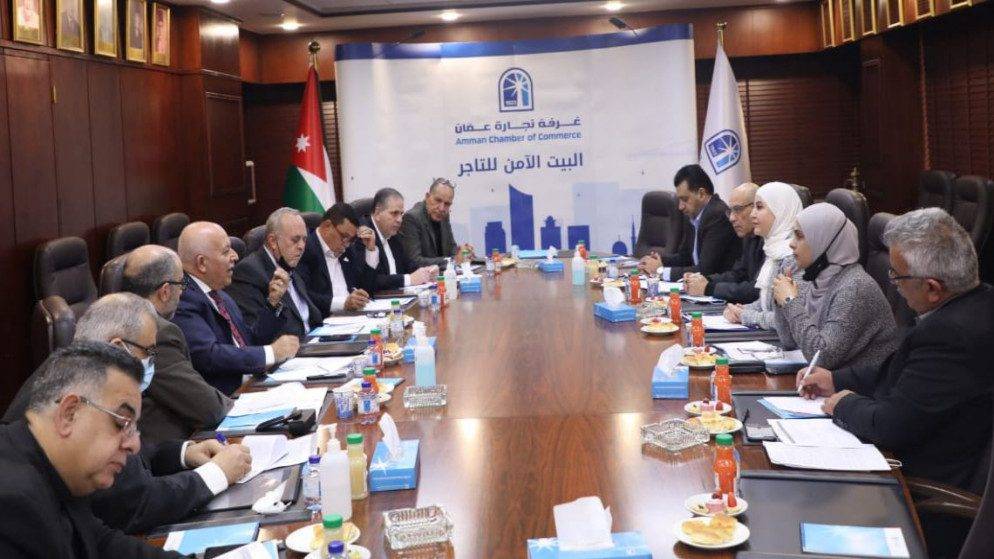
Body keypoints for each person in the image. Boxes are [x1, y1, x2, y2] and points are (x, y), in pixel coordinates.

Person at [2, 294, 251, 534]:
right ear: (118, 348)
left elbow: (133, 460)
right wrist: (217, 473)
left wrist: (183, 453)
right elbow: (135, 504)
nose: (153, 362)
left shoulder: (79, 376)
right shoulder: (81, 397)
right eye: (150, 352)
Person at [798, 208, 994, 492]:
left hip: (917, 488)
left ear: (932, 288)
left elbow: (889, 426)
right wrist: (835, 380)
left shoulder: (951, 335)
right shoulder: (977, 301)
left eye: (896, 275)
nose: (894, 284)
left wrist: (843, 404)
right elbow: (899, 371)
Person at [0, 342, 185, 558]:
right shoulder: (11, 504)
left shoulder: (58, 471)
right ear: (69, 413)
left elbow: (99, 542)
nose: (134, 445)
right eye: (123, 423)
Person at [121, 244, 233, 443]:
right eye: (182, 284)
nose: (182, 292)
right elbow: (208, 408)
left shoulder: (110, 318)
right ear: (165, 291)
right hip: (162, 451)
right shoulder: (156, 333)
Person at [172, 222, 299, 395]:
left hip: (255, 386)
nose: (235, 256)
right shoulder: (182, 298)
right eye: (226, 252)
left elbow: (250, 342)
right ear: (201, 263)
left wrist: (272, 303)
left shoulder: (219, 294)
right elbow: (209, 355)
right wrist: (271, 353)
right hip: (229, 398)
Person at [772, 203, 899, 370]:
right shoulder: (818, 279)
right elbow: (789, 341)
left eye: (799, 236)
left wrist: (790, 301)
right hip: (833, 381)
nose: (792, 244)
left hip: (866, 385)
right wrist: (780, 300)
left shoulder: (854, 288)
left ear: (824, 241)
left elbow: (821, 357)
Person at [227, 208, 322, 338]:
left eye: (304, 239)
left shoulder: (290, 262)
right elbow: (256, 336)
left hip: (314, 339)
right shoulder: (248, 272)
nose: (301, 246)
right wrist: (273, 302)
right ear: (272, 241)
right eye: (295, 240)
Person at [638, 164, 740, 280]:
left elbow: (705, 270)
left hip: (719, 286)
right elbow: (685, 257)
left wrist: (661, 271)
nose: (680, 207)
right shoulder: (693, 216)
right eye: (679, 200)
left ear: (701, 194)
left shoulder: (717, 215)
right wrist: (659, 260)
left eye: (685, 199)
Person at [724, 181, 803, 329]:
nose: (752, 214)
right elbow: (767, 303)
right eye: (753, 207)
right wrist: (742, 309)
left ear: (780, 210)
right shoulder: (774, 249)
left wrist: (746, 316)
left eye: (759, 207)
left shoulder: (792, 255)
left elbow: (788, 320)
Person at [684, 182, 763, 303]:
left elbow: (757, 290)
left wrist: (709, 288)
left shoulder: (771, 241)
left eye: (738, 209)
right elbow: (738, 275)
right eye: (730, 211)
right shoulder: (749, 237)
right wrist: (704, 280)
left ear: (756, 207)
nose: (731, 218)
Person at [297, 203, 377, 315]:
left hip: (353, 317)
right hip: (325, 319)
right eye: (344, 236)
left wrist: (370, 250)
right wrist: (342, 303)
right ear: (327, 226)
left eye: (351, 239)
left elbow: (366, 287)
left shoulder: (347, 250)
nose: (347, 244)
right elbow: (303, 296)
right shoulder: (305, 250)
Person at [362, 188, 438, 291]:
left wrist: (427, 271)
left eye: (401, 214)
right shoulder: (363, 236)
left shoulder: (394, 236)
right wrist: (409, 279)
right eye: (394, 213)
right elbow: (372, 280)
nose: (400, 220)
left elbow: (408, 266)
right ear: (377, 212)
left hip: (399, 297)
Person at [399, 178, 475, 269]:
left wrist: (463, 253)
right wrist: (453, 260)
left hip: (442, 275)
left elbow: (451, 248)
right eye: (438, 200)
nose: (442, 208)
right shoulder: (412, 218)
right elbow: (414, 261)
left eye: (447, 204)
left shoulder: (444, 215)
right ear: (427, 197)